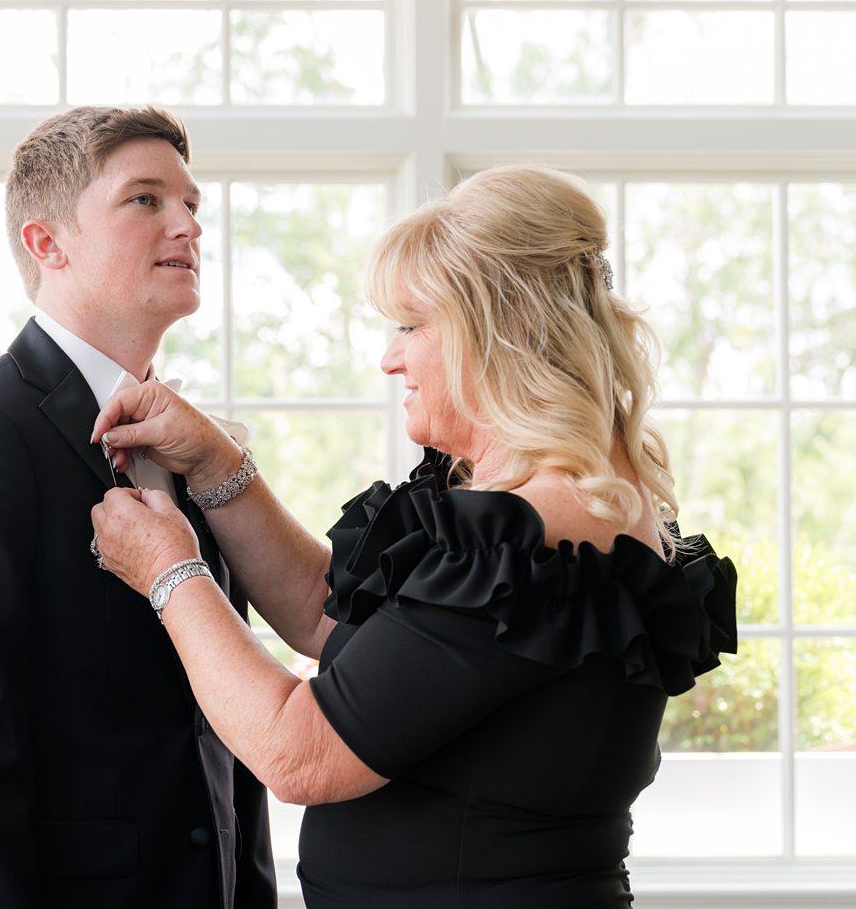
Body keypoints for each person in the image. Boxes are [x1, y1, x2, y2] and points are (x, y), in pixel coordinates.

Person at [89, 164, 738, 907]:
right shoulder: (532, 510)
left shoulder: (540, 533)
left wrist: (172, 570)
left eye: (412, 324)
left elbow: (299, 751)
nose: (389, 355)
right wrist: (215, 462)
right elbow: (327, 614)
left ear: (506, 324)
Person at [0, 106, 276, 909]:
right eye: (146, 200)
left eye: (192, 204)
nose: (188, 225)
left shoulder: (189, 441)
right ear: (47, 242)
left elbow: (215, 727)